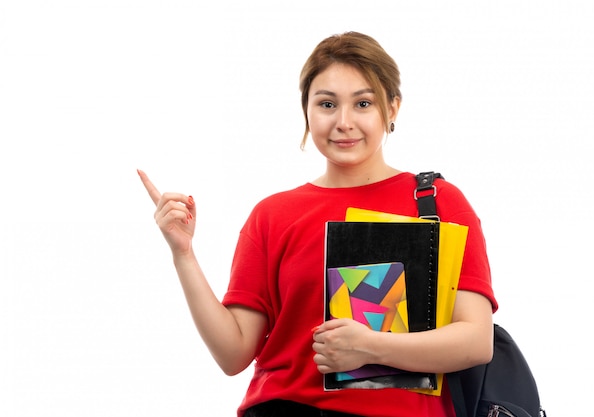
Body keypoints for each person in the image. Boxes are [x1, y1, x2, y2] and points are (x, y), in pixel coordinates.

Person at [138, 31, 497, 417]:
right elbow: (233, 353)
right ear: (306, 111)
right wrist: (183, 254)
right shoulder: (273, 214)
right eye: (327, 103)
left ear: (392, 109)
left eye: (363, 103)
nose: (344, 122)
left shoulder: (438, 202)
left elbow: (476, 341)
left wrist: (371, 346)